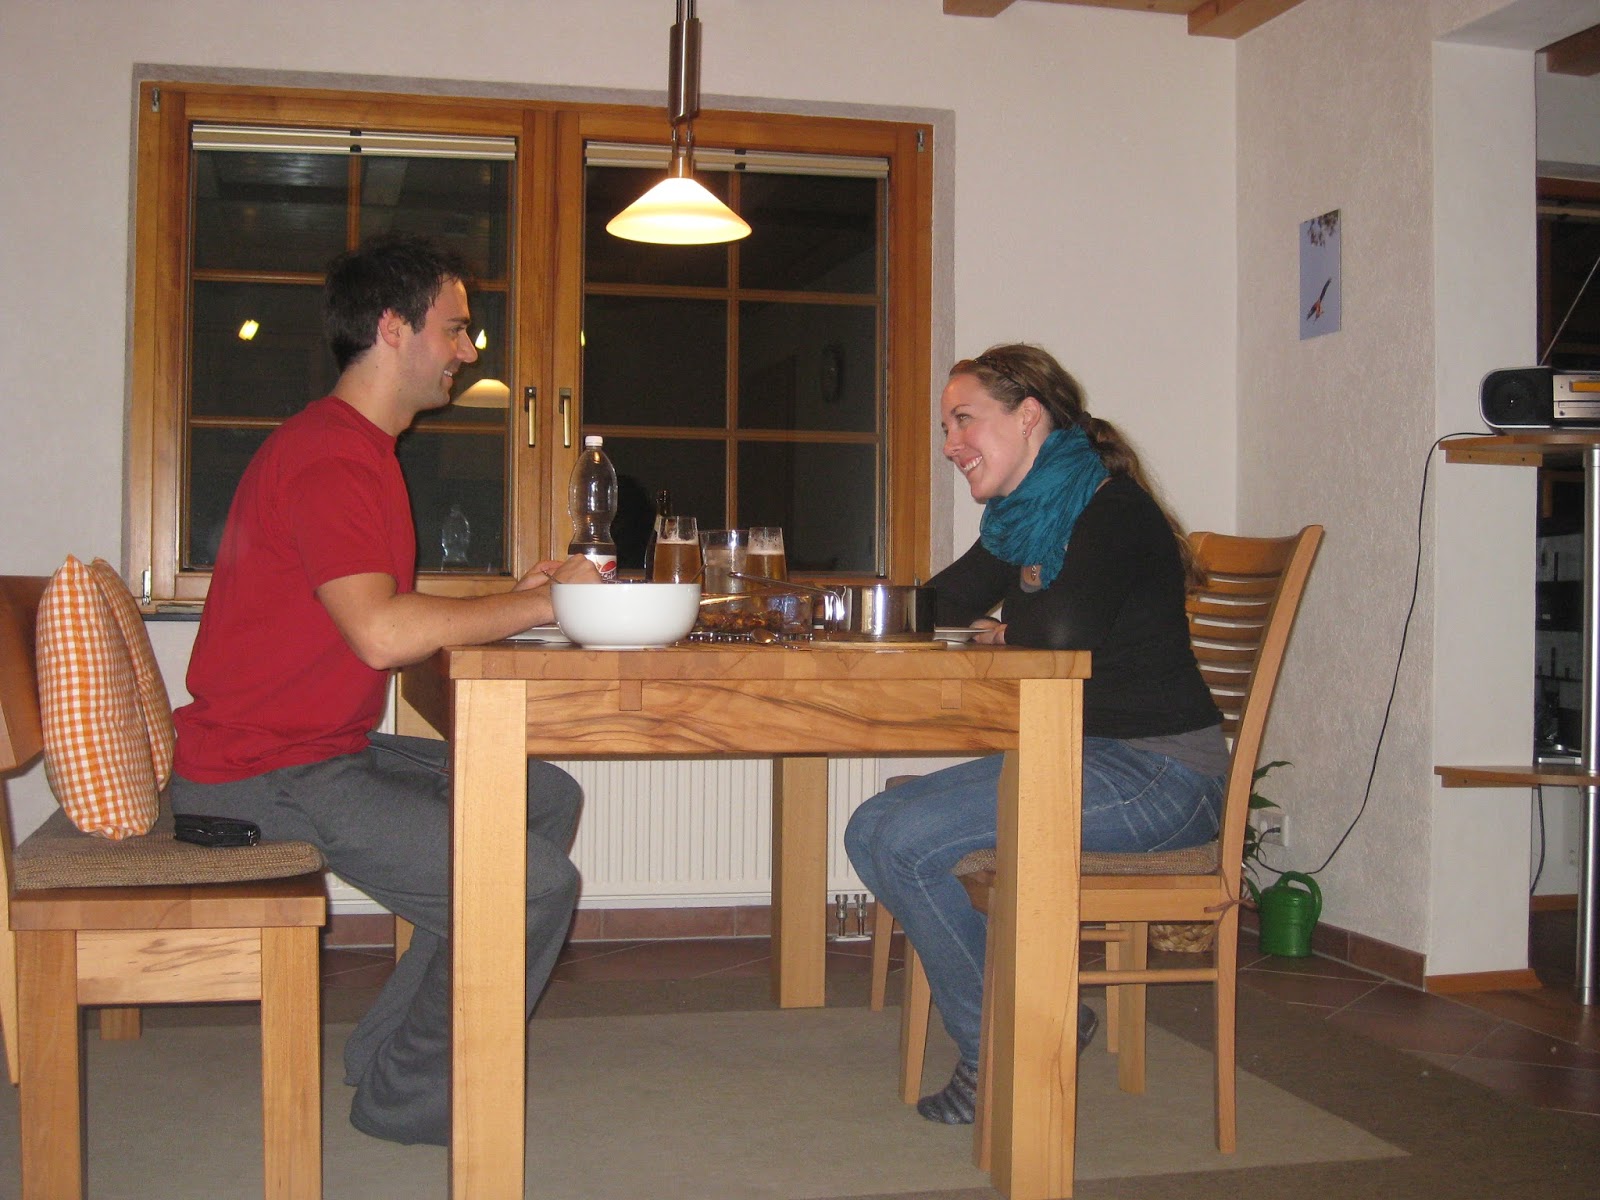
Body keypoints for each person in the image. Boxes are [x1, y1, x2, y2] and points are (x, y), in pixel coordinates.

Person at [168, 232, 600, 1147]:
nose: (469, 351)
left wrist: (515, 594)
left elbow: (378, 610)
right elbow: (382, 633)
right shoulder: (332, 457)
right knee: (533, 888)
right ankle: (409, 1100)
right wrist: (540, 605)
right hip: (262, 775)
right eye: (456, 328)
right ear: (395, 329)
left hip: (315, 749)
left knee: (543, 798)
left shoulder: (354, 450)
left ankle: (387, 1054)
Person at [844, 343, 1226, 1126]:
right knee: (871, 825)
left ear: (1029, 417)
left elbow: (1058, 631)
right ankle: (1035, 1020)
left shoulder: (1113, 511)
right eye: (946, 426)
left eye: (964, 420)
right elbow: (943, 603)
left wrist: (1009, 622)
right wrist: (829, 611)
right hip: (1084, 756)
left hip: (1163, 779)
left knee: (908, 841)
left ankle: (998, 1048)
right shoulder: (1025, 517)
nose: (950, 443)